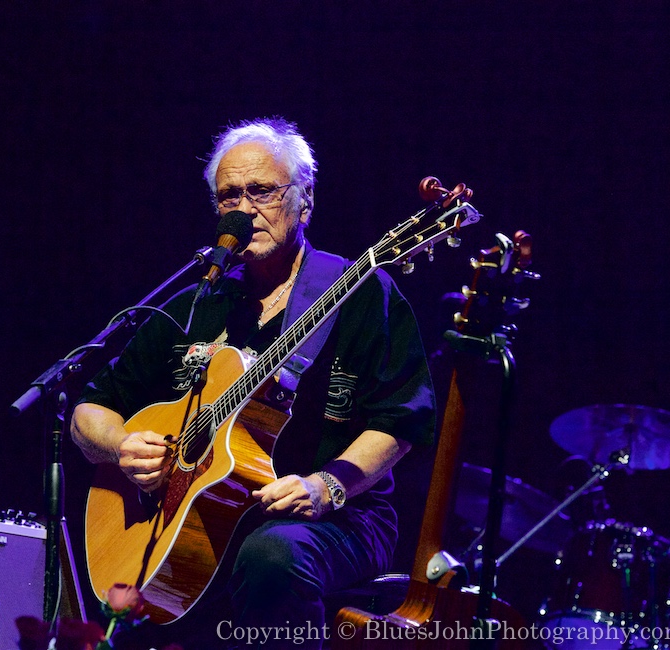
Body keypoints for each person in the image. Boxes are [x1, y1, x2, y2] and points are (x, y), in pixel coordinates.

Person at [70, 117, 436, 649]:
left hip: (339, 515)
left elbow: (402, 419)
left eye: (262, 191)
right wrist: (122, 444)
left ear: (304, 201)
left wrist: (327, 486)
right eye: (229, 197)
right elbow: (89, 412)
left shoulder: (357, 292)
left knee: (272, 555)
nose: (244, 209)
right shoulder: (196, 303)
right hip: (195, 517)